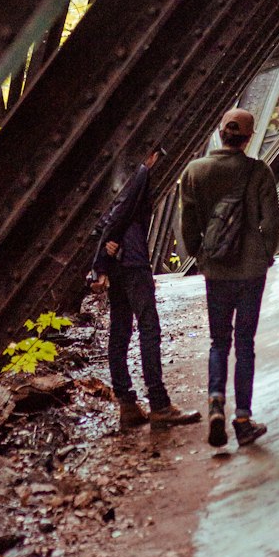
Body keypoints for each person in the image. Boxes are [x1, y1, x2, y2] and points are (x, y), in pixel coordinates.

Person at [179, 108, 279, 451]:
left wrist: (201, 255)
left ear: (220, 133)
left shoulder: (195, 171)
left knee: (218, 342)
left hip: (217, 271)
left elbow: (188, 228)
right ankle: (243, 419)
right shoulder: (258, 171)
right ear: (248, 138)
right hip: (250, 271)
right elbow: (272, 222)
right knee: (245, 343)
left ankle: (216, 402)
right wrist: (265, 253)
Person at [92, 148, 200, 434]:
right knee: (149, 328)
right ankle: (159, 404)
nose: (156, 159)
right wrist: (101, 258)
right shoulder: (138, 173)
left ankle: (127, 404)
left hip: (120, 262)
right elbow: (121, 214)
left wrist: (105, 252)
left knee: (120, 330)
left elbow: (103, 218)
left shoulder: (113, 174)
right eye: (158, 152)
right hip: (132, 262)